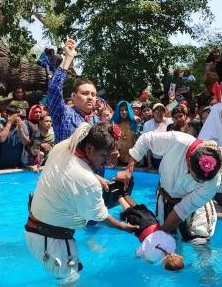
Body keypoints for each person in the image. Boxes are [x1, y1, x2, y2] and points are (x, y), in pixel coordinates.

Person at [25, 122, 138, 285]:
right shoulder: (86, 180)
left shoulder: (64, 147)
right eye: (104, 156)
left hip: (36, 231)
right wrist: (122, 227)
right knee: (69, 281)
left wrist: (96, 177)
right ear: (90, 149)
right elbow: (101, 216)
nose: (106, 161)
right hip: (54, 243)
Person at [115, 131, 222, 245]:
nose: (197, 182)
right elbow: (146, 139)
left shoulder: (214, 181)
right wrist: (128, 170)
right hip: (165, 198)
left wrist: (160, 234)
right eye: (195, 178)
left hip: (196, 209)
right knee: (170, 244)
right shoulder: (177, 140)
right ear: (188, 162)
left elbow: (183, 209)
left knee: (200, 244)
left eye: (201, 181)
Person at [47, 39, 99, 144]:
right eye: (85, 93)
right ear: (73, 96)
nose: (90, 97)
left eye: (93, 94)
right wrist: (69, 57)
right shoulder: (63, 113)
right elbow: (54, 88)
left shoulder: (98, 122)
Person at [115, 192, 184, 270]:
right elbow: (139, 251)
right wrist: (138, 256)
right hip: (141, 229)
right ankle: (118, 196)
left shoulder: (173, 245)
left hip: (153, 222)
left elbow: (166, 235)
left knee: (139, 209)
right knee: (129, 211)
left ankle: (124, 194)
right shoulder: (152, 257)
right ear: (164, 265)